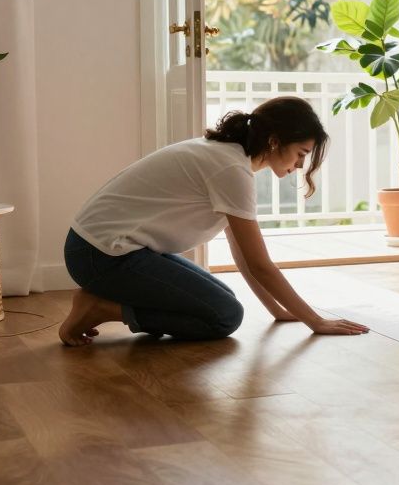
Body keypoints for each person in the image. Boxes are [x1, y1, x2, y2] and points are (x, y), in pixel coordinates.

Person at [58, 96, 369, 346]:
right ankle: (101, 308)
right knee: (224, 316)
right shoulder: (230, 170)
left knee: (222, 302)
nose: (301, 164)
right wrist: (314, 321)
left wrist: (279, 311)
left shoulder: (229, 159)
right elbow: (261, 264)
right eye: (301, 153)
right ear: (275, 141)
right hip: (100, 255)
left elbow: (244, 257)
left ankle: (102, 303)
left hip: (104, 249)